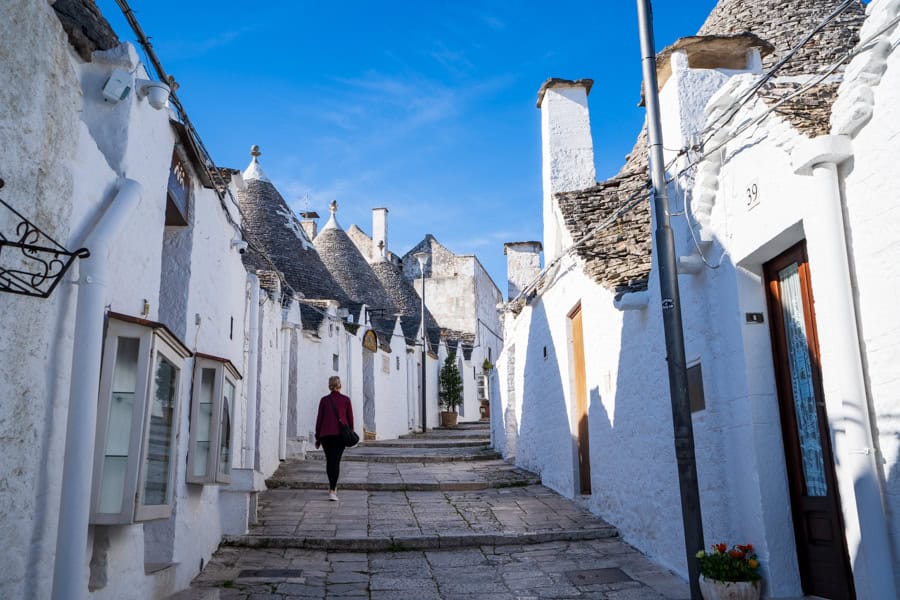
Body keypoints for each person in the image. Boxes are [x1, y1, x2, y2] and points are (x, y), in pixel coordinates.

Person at [314, 375, 354, 501]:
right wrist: (351, 433)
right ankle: (332, 490)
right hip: (340, 436)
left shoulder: (324, 400)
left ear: (329, 386)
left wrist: (317, 437)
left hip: (326, 436)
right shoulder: (346, 400)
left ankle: (332, 488)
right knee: (335, 462)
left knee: (329, 461)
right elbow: (350, 419)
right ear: (340, 385)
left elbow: (319, 419)